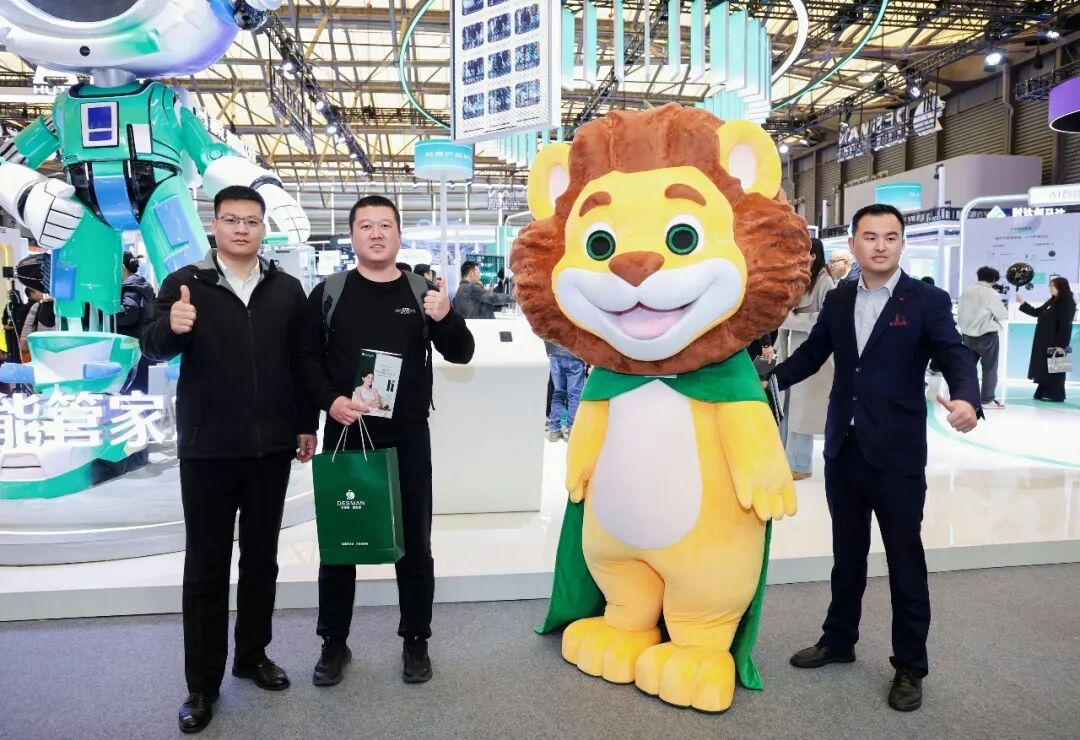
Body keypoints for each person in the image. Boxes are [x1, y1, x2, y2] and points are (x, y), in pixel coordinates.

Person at [770, 203, 980, 713]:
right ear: (854, 244)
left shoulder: (926, 300)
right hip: (845, 448)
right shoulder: (840, 299)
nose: (880, 245)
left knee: (906, 561)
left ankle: (910, 665)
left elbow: (953, 353)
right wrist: (766, 379)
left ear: (902, 243)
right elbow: (813, 353)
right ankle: (839, 639)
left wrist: (968, 398)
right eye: (870, 236)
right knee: (847, 553)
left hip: (897, 453)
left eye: (890, 236)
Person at [140, 185, 319, 734]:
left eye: (251, 220)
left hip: (270, 449)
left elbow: (302, 361)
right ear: (214, 226)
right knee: (207, 567)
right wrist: (170, 327)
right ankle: (201, 685)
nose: (242, 228)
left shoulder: (287, 289)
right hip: (208, 450)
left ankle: (252, 655)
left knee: (262, 560)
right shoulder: (184, 284)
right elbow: (151, 345)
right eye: (231, 219)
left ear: (264, 228)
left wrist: (306, 423)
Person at [298, 194, 474, 689]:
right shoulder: (330, 292)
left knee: (415, 546)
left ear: (398, 234)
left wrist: (446, 316)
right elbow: (305, 359)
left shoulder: (423, 292)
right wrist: (330, 401)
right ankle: (334, 643)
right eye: (366, 226)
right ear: (352, 235)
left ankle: (415, 640)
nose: (376, 234)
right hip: (346, 436)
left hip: (407, 440)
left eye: (385, 225)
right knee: (341, 545)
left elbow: (461, 353)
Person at [776, 238, 835, 480]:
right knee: (786, 408)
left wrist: (791, 319)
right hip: (790, 352)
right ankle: (783, 459)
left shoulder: (825, 281)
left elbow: (827, 319)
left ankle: (800, 464)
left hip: (812, 355)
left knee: (802, 412)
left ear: (813, 255)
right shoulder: (798, 279)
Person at [1018, 276, 1077, 403]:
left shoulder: (1067, 303)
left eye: (1053, 286)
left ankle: (1056, 395)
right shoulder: (1052, 301)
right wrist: (1023, 303)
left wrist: (1061, 344)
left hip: (1056, 341)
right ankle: (1044, 392)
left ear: (1061, 287)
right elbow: (1037, 312)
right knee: (1045, 367)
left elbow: (1066, 325)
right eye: (1050, 286)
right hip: (1045, 340)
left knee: (1056, 368)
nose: (1050, 288)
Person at [957, 266, 1008, 409]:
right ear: (994, 279)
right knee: (989, 369)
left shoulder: (966, 291)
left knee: (968, 369)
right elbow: (1002, 315)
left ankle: (965, 398)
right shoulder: (992, 293)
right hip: (986, 336)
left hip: (967, 335)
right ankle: (987, 400)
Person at [115, 251, 156, 393]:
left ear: (121, 268)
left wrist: (107, 314)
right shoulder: (141, 286)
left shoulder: (130, 286)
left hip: (132, 346)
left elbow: (129, 312)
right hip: (143, 346)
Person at [544, 340, 586, 441]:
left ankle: (554, 430)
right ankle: (570, 431)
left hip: (554, 353)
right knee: (574, 395)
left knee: (558, 392)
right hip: (574, 354)